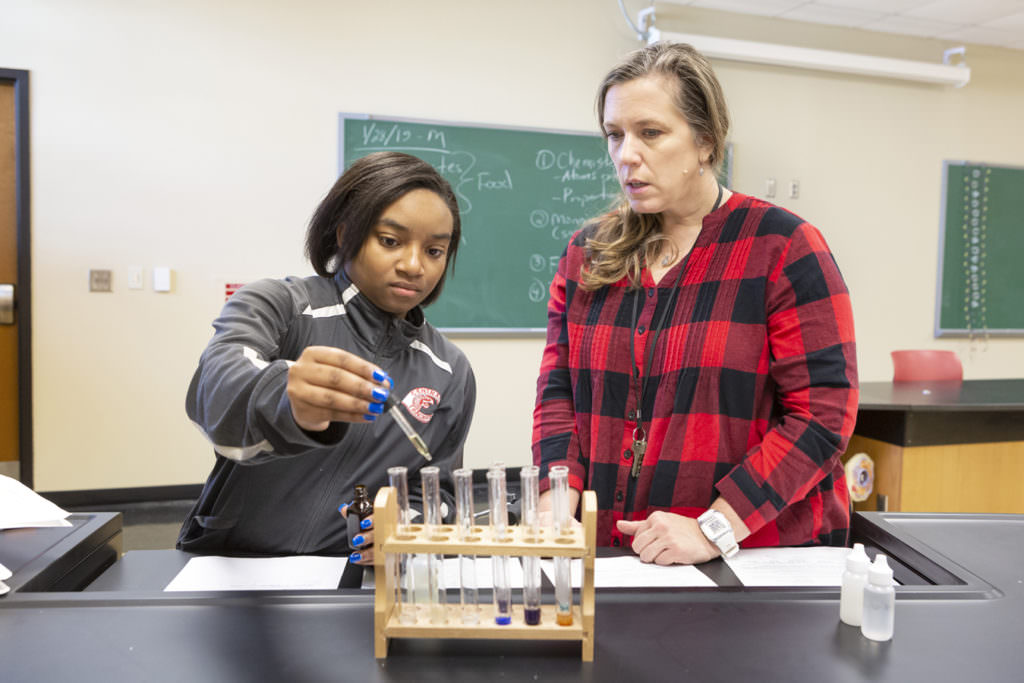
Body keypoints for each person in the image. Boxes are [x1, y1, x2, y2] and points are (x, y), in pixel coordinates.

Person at [532, 42, 857, 565]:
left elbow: (821, 417)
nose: (626, 155)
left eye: (650, 133)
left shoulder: (782, 248)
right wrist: (554, 501)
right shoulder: (586, 253)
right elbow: (559, 391)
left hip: (753, 558)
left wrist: (715, 528)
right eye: (615, 135)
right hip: (620, 556)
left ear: (706, 141)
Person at [179, 151, 476, 563]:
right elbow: (216, 392)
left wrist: (405, 524)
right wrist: (285, 397)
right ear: (344, 234)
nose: (414, 266)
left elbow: (438, 490)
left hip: (354, 578)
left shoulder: (449, 370)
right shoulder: (280, 306)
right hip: (235, 568)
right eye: (390, 241)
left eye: (434, 251)